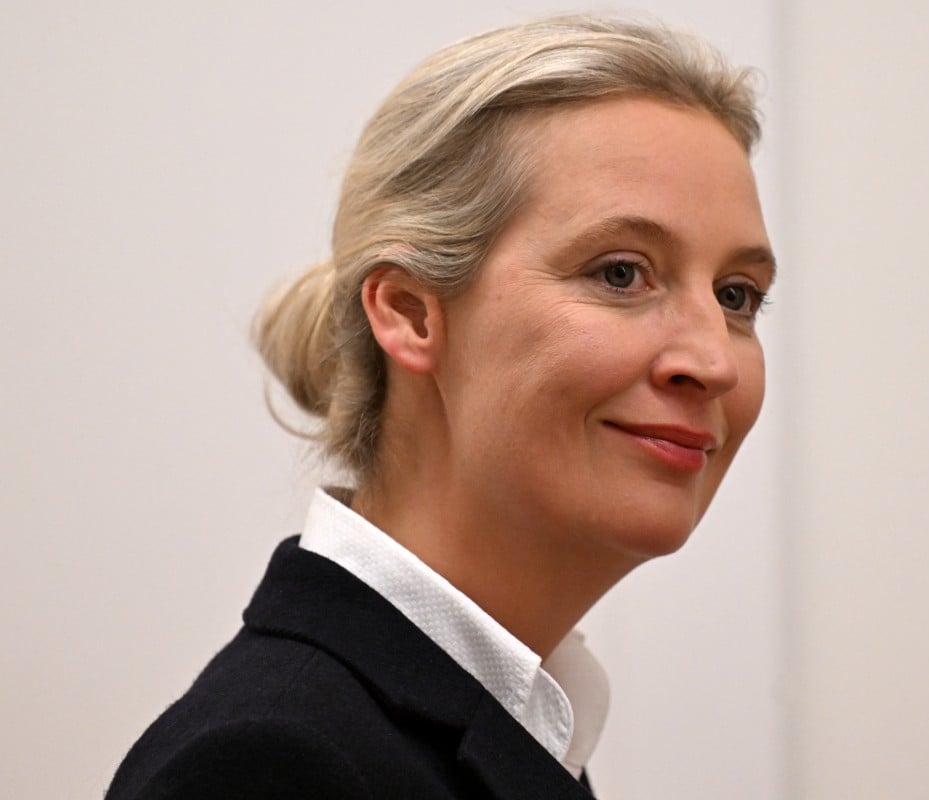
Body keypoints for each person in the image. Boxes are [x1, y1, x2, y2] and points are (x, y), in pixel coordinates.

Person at [106, 14, 774, 799]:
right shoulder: (273, 767)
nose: (712, 360)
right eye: (621, 273)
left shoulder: (509, 723)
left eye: (737, 296)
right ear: (412, 314)